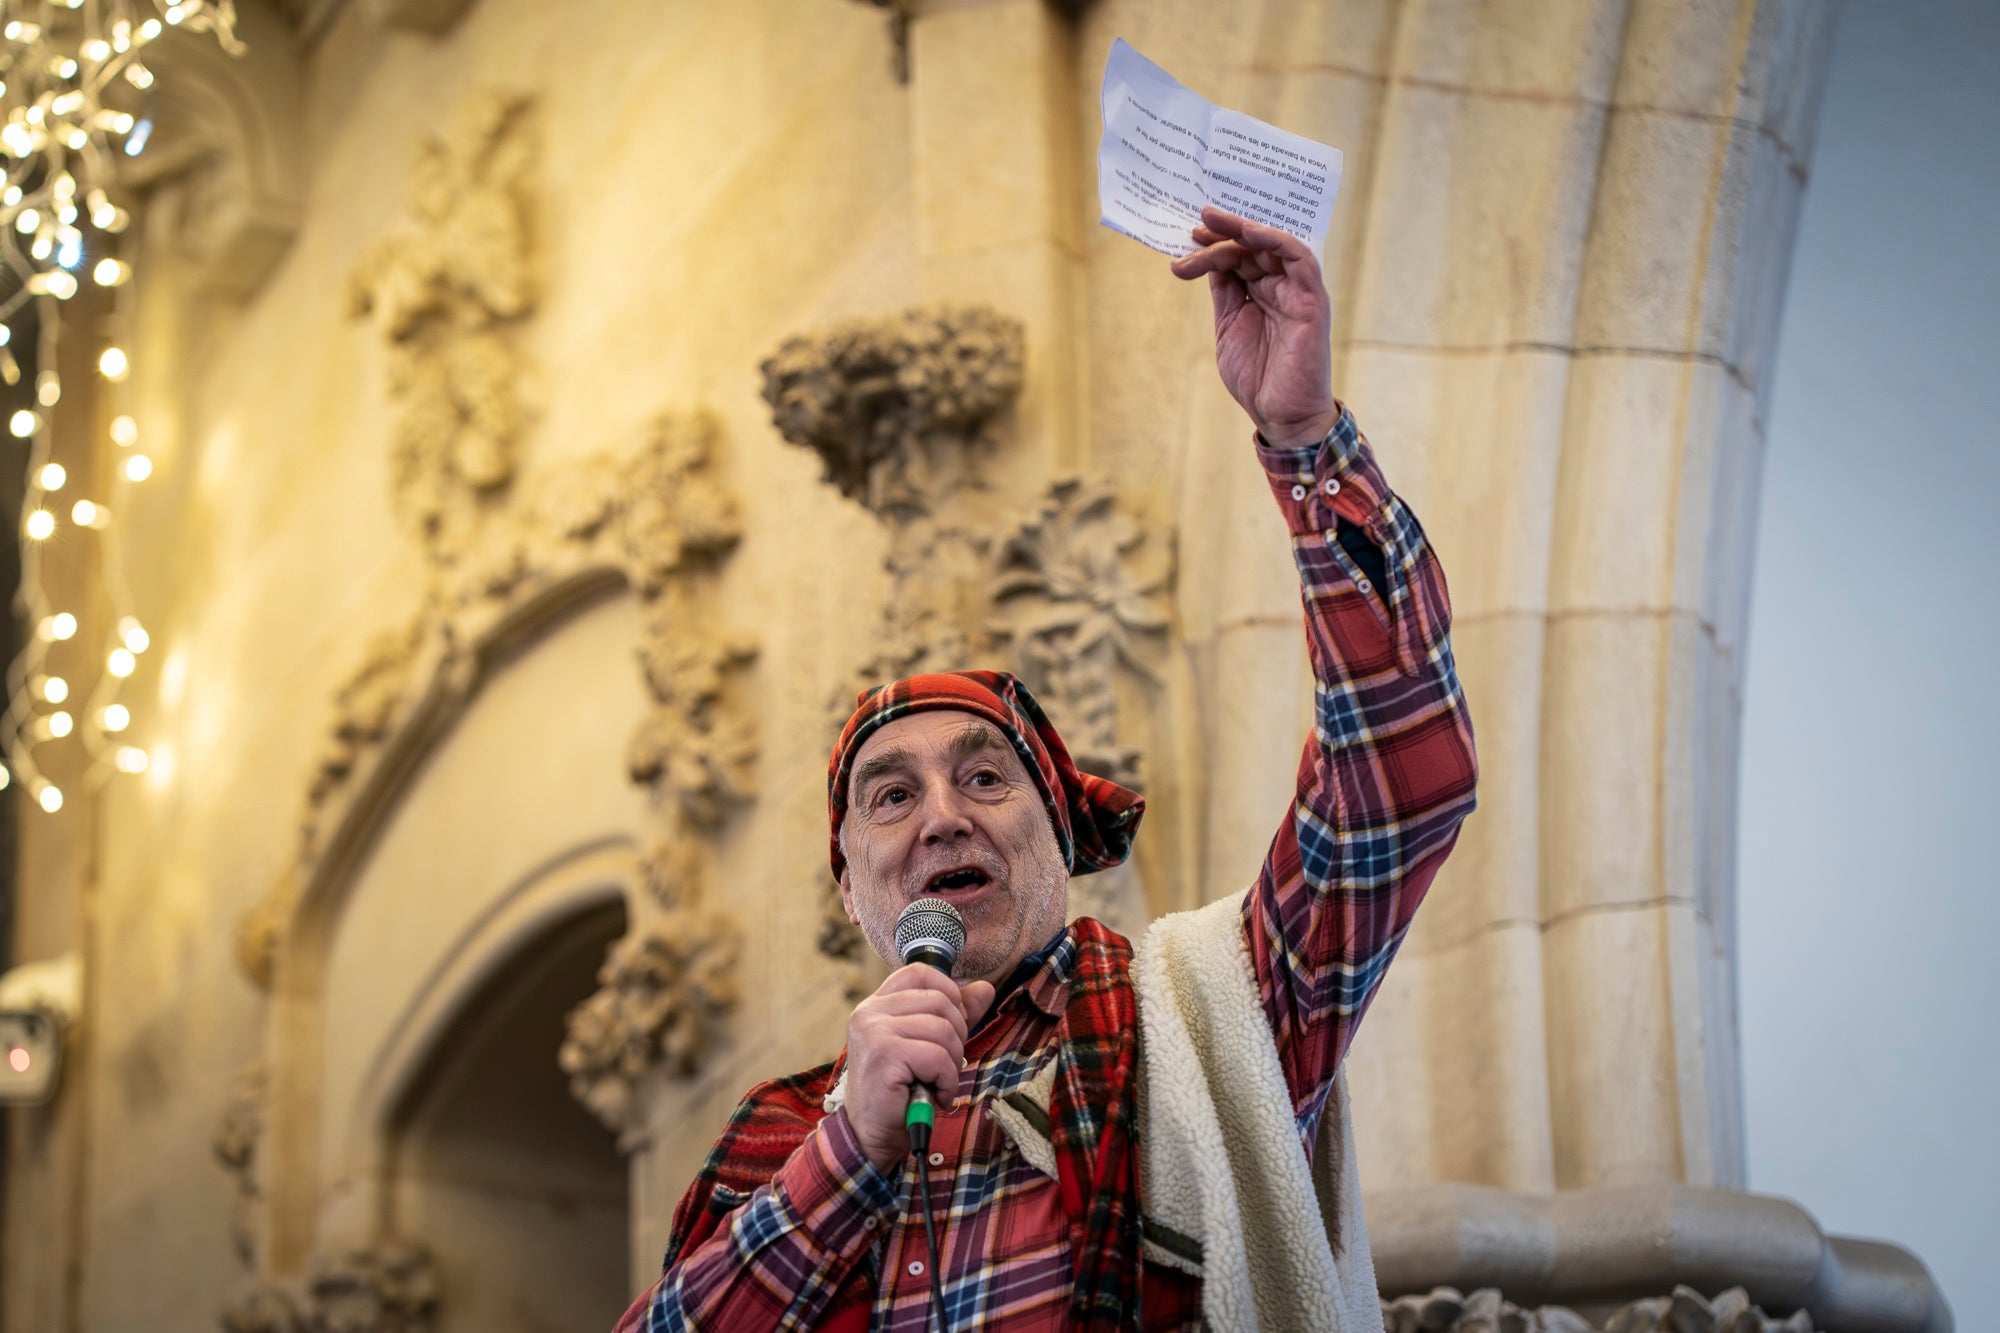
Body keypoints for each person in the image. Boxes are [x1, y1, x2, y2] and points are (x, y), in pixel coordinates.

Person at [613, 207, 1479, 1332]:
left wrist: (1307, 442)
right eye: (890, 794)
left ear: (1060, 833)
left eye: (984, 779)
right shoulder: (771, 1139)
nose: (939, 820)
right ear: (847, 885)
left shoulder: (1211, 1015)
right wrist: (845, 1157)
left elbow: (1403, 777)